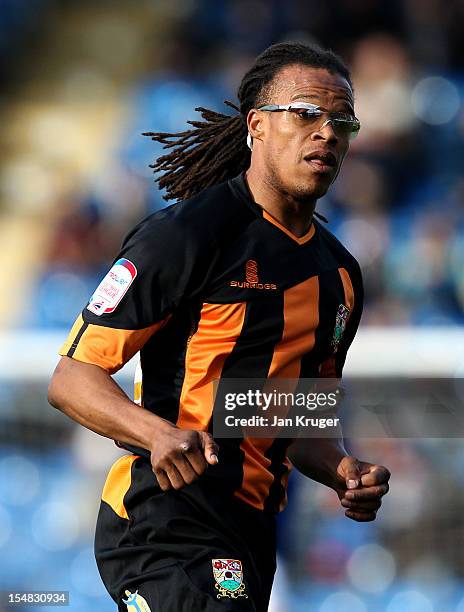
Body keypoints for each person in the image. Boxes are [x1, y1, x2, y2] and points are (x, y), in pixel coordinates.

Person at [48, 42, 390, 612]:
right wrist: (156, 434)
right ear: (257, 124)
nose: (327, 132)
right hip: (166, 523)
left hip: (251, 536)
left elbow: (293, 416)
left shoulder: (340, 277)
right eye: (306, 113)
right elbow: (72, 378)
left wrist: (341, 468)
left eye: (342, 121)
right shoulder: (186, 236)